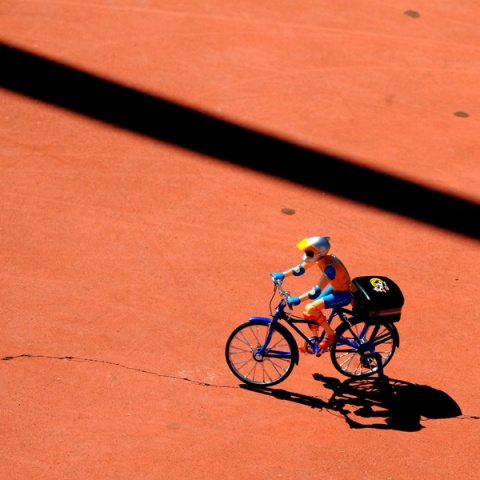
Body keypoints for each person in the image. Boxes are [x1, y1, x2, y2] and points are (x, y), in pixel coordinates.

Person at [270, 236, 352, 353]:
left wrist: (298, 299)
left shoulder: (330, 269)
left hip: (343, 294)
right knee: (310, 311)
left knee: (311, 307)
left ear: (319, 253)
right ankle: (315, 342)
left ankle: (330, 334)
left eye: (309, 252)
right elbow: (300, 269)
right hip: (336, 288)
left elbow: (316, 291)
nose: (306, 255)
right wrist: (283, 274)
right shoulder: (321, 258)